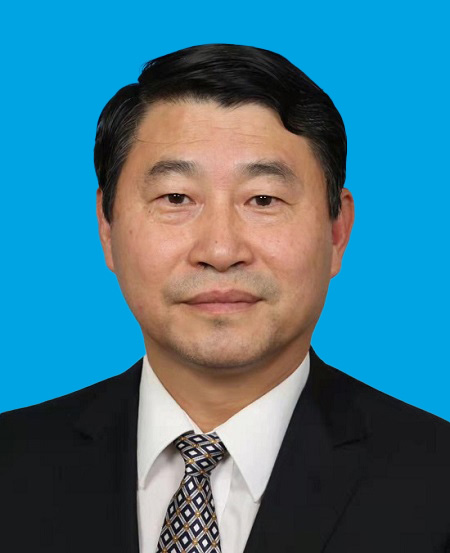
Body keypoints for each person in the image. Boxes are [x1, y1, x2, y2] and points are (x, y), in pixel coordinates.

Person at [1, 44, 449, 553]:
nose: (220, 251)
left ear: (336, 231)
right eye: (176, 198)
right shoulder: (12, 465)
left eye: (263, 199)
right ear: (107, 227)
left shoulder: (436, 484)